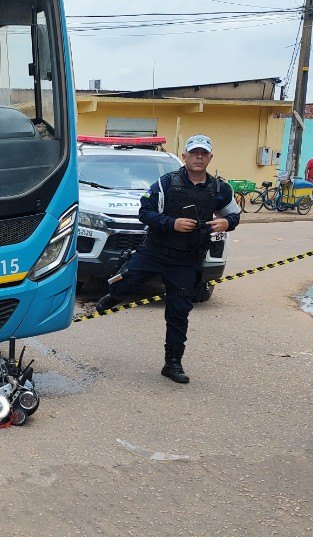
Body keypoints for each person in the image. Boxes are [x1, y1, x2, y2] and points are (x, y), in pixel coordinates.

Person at [95, 134, 240, 383]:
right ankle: (113, 296)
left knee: (178, 313)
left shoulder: (220, 189)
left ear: (210, 158)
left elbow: (234, 215)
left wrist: (227, 222)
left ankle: (172, 364)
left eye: (204, 153)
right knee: (126, 281)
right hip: (155, 251)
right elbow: (145, 212)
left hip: (187, 260)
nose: (199, 157)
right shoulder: (166, 183)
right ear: (184, 157)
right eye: (194, 153)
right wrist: (172, 223)